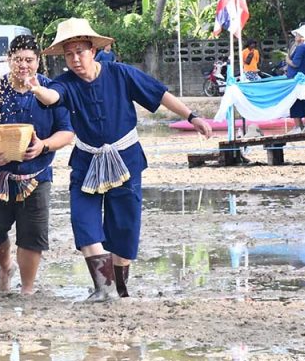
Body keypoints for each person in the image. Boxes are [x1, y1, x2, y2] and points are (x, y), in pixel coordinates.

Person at [27, 18, 212, 301]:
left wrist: (192, 116)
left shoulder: (120, 73)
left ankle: (120, 290)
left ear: (93, 51)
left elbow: (159, 94)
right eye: (69, 54)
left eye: (80, 52)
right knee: (83, 220)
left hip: (125, 159)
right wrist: (37, 89)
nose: (75, 59)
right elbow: (52, 96)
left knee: (124, 227)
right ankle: (104, 288)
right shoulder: (65, 83)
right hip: (87, 161)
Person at [0, 35, 74, 295]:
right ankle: (6, 266)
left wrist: (44, 145)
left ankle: (27, 289)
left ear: (38, 62)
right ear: (8, 60)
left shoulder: (51, 91)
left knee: (32, 234)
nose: (23, 65)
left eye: (28, 60)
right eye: (17, 60)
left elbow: (67, 132)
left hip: (35, 176)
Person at [285, 23, 305, 134]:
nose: (295, 36)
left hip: (298, 79)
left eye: (298, 34)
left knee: (296, 102)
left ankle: (298, 126)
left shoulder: (301, 47)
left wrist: (287, 60)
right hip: (303, 79)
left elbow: (295, 63)